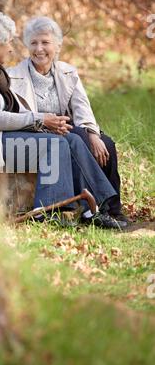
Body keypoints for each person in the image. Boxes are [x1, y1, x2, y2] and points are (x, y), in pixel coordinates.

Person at [0, 10, 126, 229]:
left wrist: (46, 124)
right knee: (55, 143)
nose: (10, 48)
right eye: (8, 43)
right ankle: (49, 210)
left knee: (70, 139)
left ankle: (94, 209)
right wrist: (41, 120)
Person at [8, 16, 128, 224]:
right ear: (27, 45)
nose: (39, 49)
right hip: (36, 131)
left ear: (57, 45)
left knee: (106, 144)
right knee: (75, 140)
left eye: (45, 42)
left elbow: (82, 107)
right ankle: (95, 210)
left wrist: (93, 134)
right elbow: (16, 116)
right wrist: (44, 123)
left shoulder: (68, 72)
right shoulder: (13, 76)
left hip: (66, 127)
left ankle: (113, 209)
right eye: (34, 43)